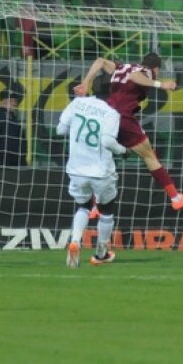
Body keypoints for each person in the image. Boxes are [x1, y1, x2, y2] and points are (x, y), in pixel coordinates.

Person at [74, 53, 183, 211]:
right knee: (150, 157)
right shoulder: (145, 71)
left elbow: (100, 61)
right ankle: (176, 198)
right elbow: (134, 76)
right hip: (122, 118)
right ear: (156, 68)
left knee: (103, 161)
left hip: (104, 117)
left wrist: (85, 83)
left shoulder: (122, 67)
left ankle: (94, 208)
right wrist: (161, 84)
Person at [58, 74, 127, 267]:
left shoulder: (77, 103)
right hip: (101, 170)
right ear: (112, 91)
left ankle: (75, 241)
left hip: (76, 168)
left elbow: (60, 130)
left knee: (83, 206)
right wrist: (123, 150)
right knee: (106, 210)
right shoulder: (110, 113)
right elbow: (107, 141)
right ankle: (101, 253)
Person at [0, 82, 27, 167]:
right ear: (4, 101)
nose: (15, 104)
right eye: (12, 101)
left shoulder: (11, 117)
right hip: (7, 162)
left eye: (15, 101)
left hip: (15, 161)